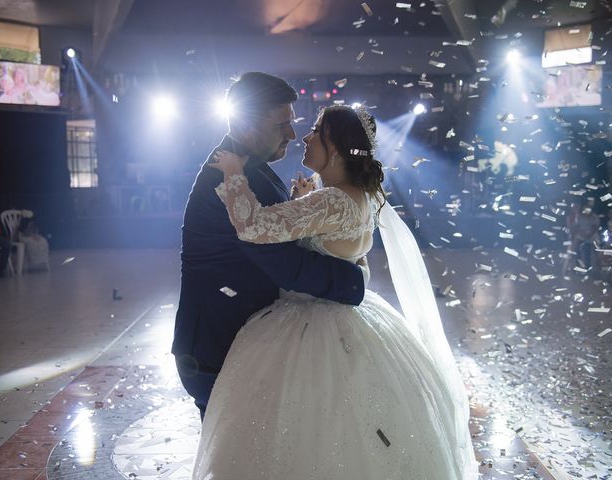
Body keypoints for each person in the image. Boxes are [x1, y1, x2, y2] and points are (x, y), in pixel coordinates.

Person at [192, 105, 478, 479]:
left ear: (338, 148)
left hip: (309, 325)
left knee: (303, 423)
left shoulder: (331, 201)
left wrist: (233, 172)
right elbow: (341, 250)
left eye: (316, 131)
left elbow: (253, 226)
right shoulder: (359, 195)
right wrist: (302, 201)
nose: (306, 138)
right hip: (354, 319)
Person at [172, 72, 367, 421]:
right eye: (282, 125)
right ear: (247, 123)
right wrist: (353, 280)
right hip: (217, 343)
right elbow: (281, 261)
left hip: (230, 338)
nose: (292, 134)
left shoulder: (249, 167)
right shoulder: (232, 176)